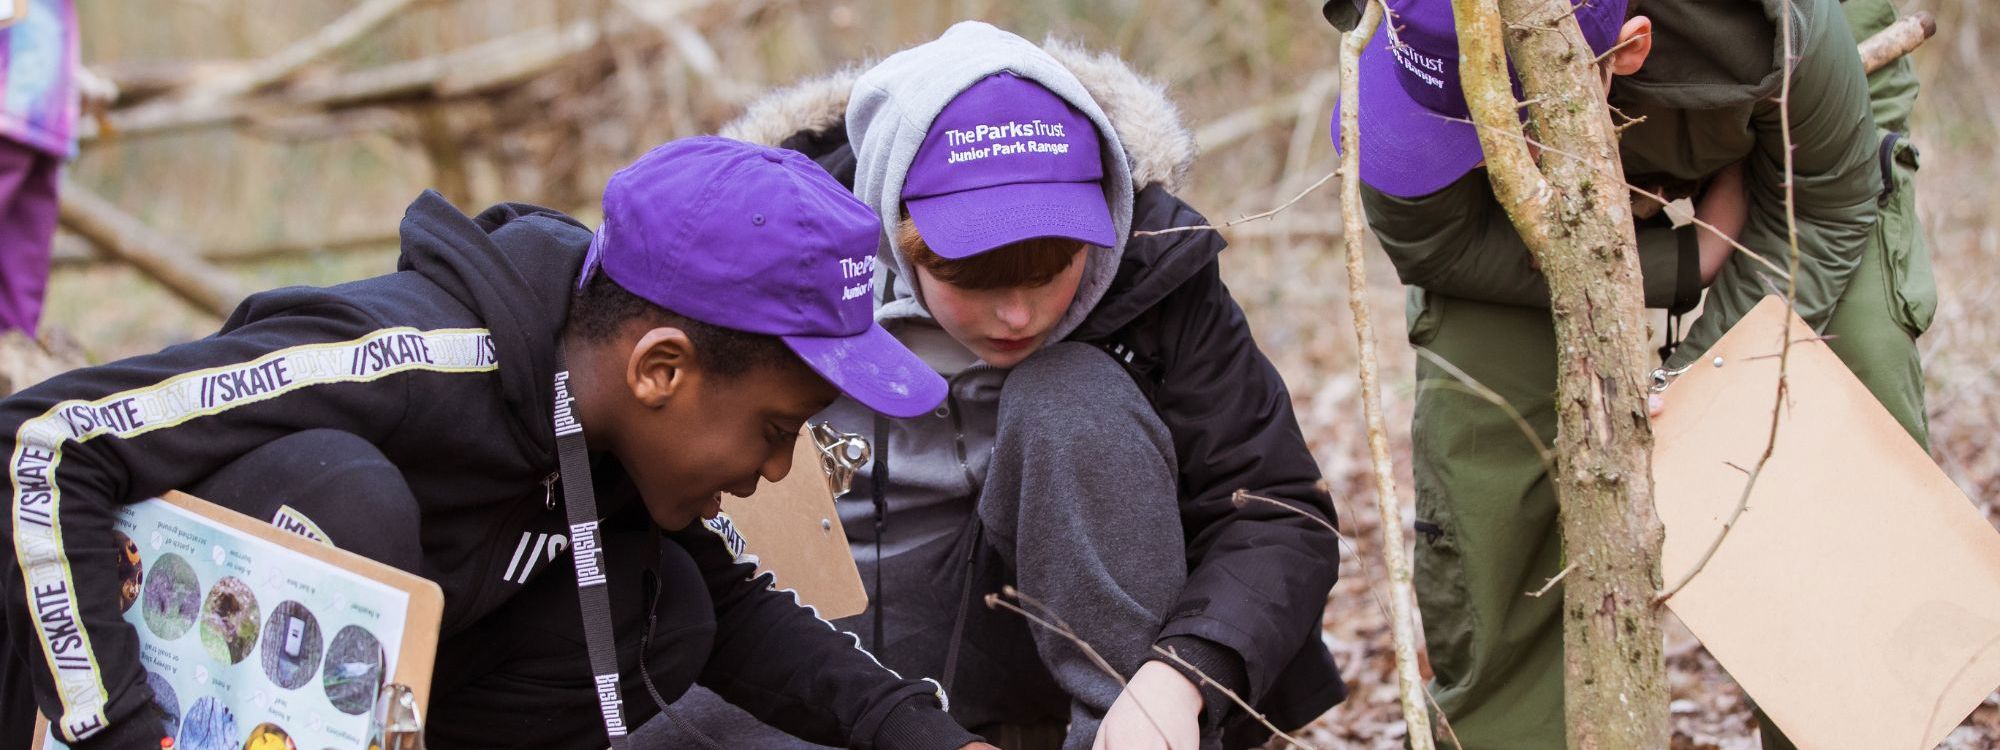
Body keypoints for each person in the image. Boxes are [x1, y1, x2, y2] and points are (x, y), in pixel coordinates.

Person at [0, 136, 999, 750]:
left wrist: (922, 735)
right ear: (660, 369)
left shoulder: (606, 425)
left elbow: (739, 614)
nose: (776, 470)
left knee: (675, 609)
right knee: (348, 500)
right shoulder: (397, 358)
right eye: (775, 430)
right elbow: (41, 442)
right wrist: (115, 730)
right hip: (117, 701)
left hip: (348, 705)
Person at [646, 22, 1346, 750]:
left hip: (1071, 687)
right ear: (892, 226)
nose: (1017, 314)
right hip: (826, 672)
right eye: (971, 280)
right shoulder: (762, 263)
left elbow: (1274, 509)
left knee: (1072, 395)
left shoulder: (1154, 272)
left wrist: (1184, 675)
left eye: (1049, 273)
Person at [1324, 0, 1934, 747]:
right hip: (1505, 175)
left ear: (1631, 49)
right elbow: (1437, 244)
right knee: (1487, 447)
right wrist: (1680, 262)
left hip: (1790, 117)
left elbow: (1828, 209)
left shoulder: (1785, 24)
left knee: (1839, 394)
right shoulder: (1413, 30)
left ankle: (1850, 726)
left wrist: (1697, 380)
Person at [0, 0, 78, 336]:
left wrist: (73, 75)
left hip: (46, 119)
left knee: (23, 272)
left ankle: (14, 367)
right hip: (10, 108)